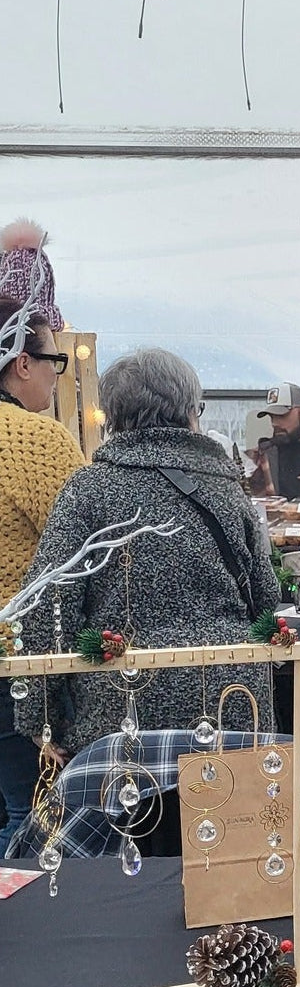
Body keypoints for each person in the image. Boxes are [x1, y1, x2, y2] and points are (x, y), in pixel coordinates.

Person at [16, 349, 280, 760]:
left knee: (127, 804)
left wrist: (39, 717)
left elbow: (49, 604)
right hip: (230, 700)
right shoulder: (226, 490)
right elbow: (265, 598)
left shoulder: (89, 489)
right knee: (232, 801)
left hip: (123, 702)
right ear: (189, 413)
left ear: (113, 415)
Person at [0, 295, 86, 855]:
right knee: (31, 818)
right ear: (22, 362)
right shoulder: (35, 440)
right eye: (54, 360)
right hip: (16, 663)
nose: (58, 375)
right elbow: (91, 548)